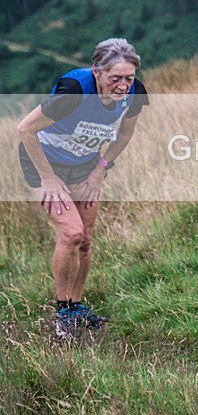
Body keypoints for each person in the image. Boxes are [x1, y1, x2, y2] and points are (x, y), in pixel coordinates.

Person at [17, 38, 148, 339]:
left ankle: (76, 307)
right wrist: (49, 179)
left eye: (129, 78)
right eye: (115, 78)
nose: (123, 86)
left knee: (86, 240)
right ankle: (63, 314)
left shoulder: (134, 94)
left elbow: (126, 133)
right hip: (44, 164)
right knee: (72, 233)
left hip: (85, 167)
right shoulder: (75, 91)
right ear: (97, 72)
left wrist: (100, 170)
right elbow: (25, 129)